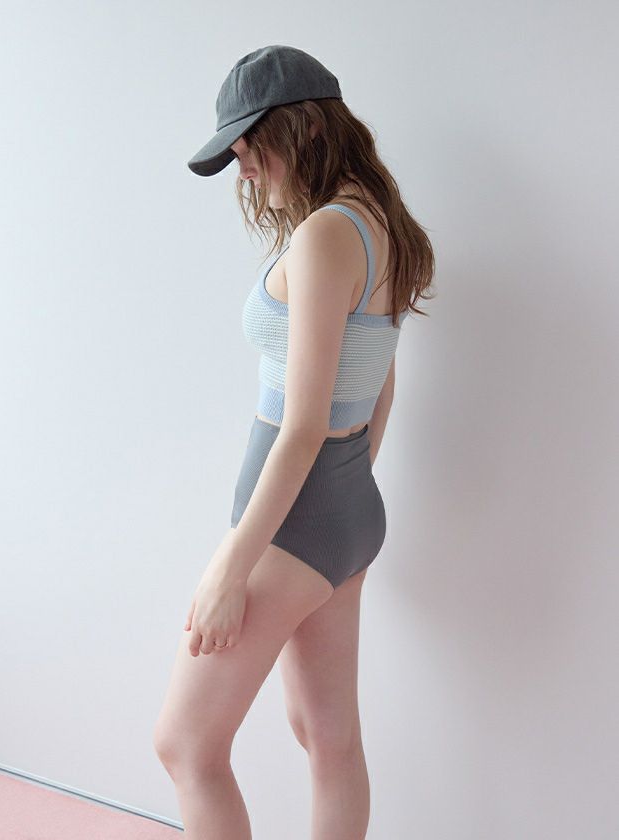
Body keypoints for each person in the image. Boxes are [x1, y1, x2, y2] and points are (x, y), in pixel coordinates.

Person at [153, 44, 435, 840]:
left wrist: (229, 566)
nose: (243, 167)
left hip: (295, 521)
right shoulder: (381, 223)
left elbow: (305, 422)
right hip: (342, 511)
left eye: (250, 144)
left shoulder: (325, 235)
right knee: (327, 738)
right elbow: (377, 378)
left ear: (303, 128)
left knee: (185, 745)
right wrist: (348, 485)